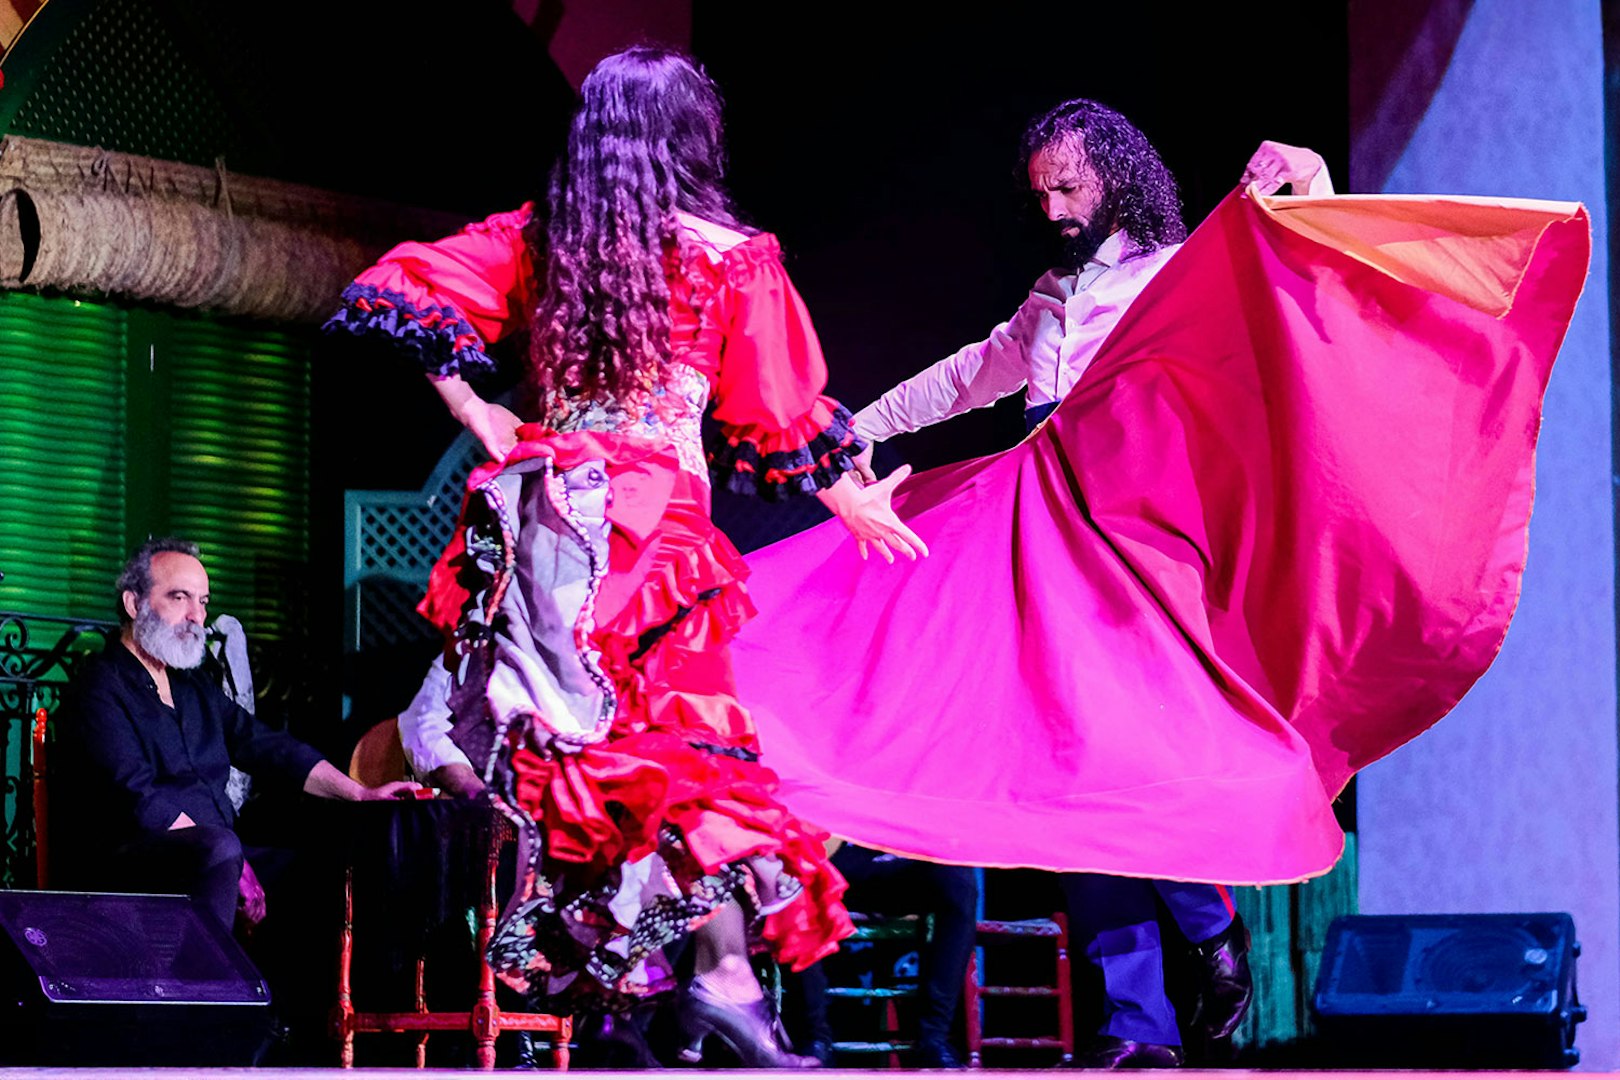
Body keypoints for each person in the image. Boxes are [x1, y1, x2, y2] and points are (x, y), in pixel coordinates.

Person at [326, 46, 926, 1067]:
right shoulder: (729, 257)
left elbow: (405, 285)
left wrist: (487, 415)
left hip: (551, 524)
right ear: (691, 139)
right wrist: (849, 497)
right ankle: (716, 981)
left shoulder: (547, 238)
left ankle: (619, 1001)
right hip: (655, 536)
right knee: (689, 758)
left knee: (593, 768)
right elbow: (778, 411)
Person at [847, 100, 1306, 1069]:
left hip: (1137, 528)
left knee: (1132, 747)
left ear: (1114, 175)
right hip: (1048, 533)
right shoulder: (1050, 296)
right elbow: (974, 374)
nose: (1054, 207)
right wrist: (867, 426)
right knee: (1074, 777)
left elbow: (1288, 247)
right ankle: (1137, 1026)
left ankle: (1206, 919)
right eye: (1041, 193)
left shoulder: (1177, 271)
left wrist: (1304, 167)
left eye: (1069, 185)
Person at [53, 537, 418, 930]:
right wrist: (231, 858)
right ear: (133, 603)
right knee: (221, 847)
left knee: (328, 861)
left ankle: (305, 991)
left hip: (218, 855)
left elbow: (265, 746)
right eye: (180, 598)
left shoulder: (192, 687)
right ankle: (206, 987)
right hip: (136, 861)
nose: (197, 615)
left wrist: (359, 793)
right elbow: (138, 797)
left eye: (204, 601)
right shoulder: (99, 687)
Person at [794, 845, 978, 1068]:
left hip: (905, 857)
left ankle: (934, 1039)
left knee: (959, 882)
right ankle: (815, 1039)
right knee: (796, 874)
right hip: (838, 858)